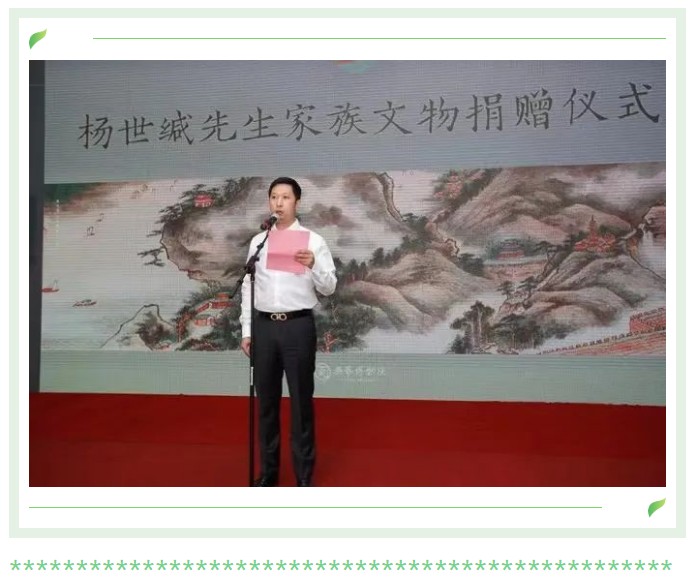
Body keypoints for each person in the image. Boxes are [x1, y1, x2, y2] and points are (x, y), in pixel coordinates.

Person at [240, 177, 337, 487]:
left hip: (298, 327)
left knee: (300, 403)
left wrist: (314, 265)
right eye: (274, 197)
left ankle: (303, 477)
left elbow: (330, 287)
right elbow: (248, 287)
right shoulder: (258, 242)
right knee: (266, 405)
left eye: (285, 197)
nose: (279, 202)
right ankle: (269, 474)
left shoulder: (313, 241)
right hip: (265, 327)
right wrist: (247, 329)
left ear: (297, 202)